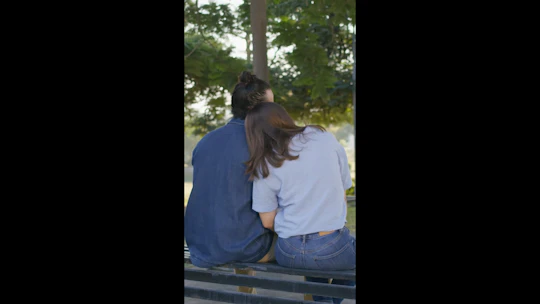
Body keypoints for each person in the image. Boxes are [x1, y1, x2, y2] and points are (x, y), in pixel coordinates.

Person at [245, 102, 356, 303]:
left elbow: (268, 222)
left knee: (316, 264)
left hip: (289, 251)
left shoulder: (264, 162)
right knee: (332, 256)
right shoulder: (321, 137)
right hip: (331, 247)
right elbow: (343, 187)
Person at [184, 71, 276, 294]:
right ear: (258, 110)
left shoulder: (206, 141)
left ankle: (245, 296)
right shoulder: (262, 145)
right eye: (272, 106)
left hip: (201, 245)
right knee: (305, 242)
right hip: (239, 246)